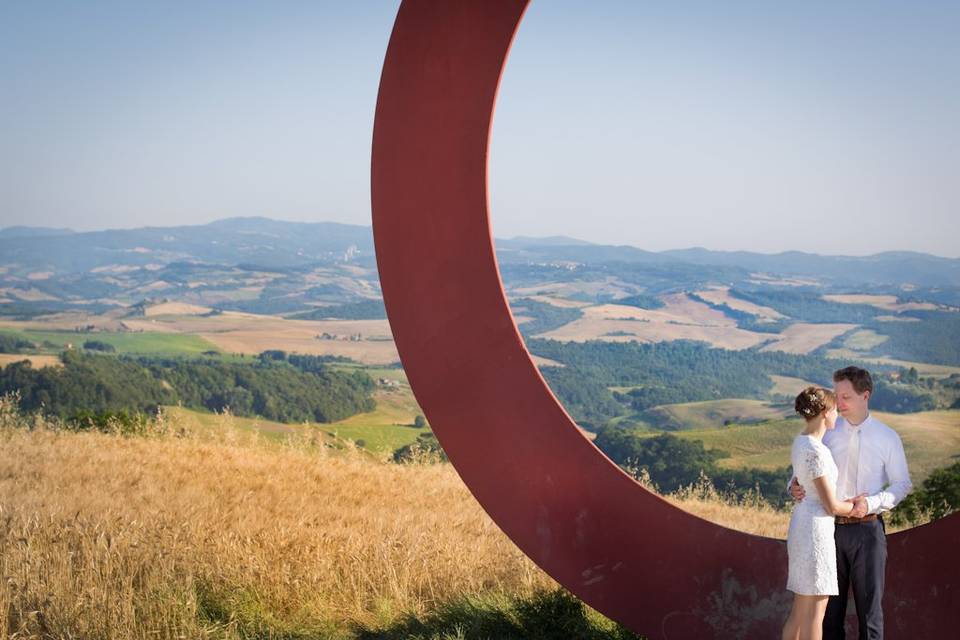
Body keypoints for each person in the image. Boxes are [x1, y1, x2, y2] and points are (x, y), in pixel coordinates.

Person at [789, 367, 913, 640]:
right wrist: (794, 485)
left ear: (865, 395)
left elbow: (902, 484)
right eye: (837, 396)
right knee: (829, 616)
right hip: (826, 530)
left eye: (845, 397)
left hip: (868, 533)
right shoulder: (828, 431)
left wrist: (870, 504)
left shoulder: (887, 437)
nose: (839, 403)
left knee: (870, 615)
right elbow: (806, 463)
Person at [782, 386, 863, 640]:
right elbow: (831, 505)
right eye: (836, 410)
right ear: (826, 412)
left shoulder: (801, 441)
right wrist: (858, 507)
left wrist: (793, 486)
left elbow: (801, 481)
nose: (838, 415)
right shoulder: (816, 450)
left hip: (803, 524)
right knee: (815, 614)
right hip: (816, 530)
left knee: (799, 611)